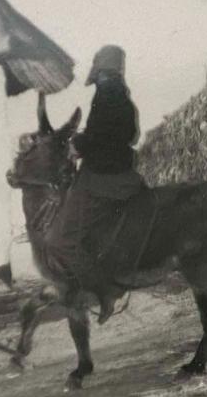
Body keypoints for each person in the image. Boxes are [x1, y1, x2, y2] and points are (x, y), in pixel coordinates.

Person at [44, 44, 144, 323]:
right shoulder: (123, 97)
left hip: (102, 179)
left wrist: (78, 144)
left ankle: (104, 291)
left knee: (59, 241)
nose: (100, 77)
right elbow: (131, 136)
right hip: (124, 175)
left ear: (100, 70)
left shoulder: (106, 93)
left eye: (101, 72)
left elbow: (102, 138)